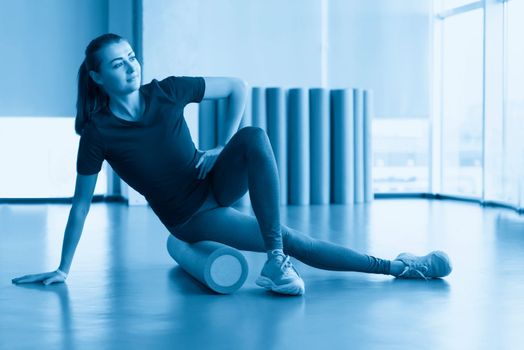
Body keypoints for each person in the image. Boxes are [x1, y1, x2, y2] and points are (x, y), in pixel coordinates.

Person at [12, 33, 452, 295]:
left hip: (212, 182)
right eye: (116, 64)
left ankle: (273, 261)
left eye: (131, 57)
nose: (130, 67)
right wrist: (64, 267)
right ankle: (399, 267)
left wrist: (222, 145)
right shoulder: (99, 133)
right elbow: (81, 205)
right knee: (295, 238)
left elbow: (237, 85)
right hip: (190, 216)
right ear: (97, 77)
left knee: (254, 137)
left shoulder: (166, 91)